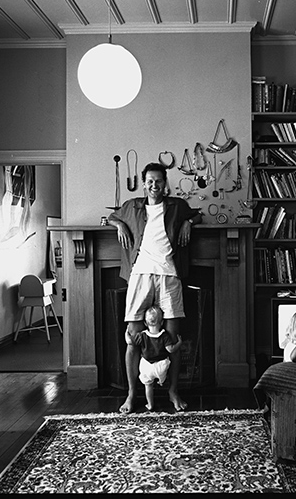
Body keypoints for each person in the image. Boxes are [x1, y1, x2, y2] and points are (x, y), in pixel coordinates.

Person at [108, 162, 202, 413]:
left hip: (169, 275)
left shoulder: (177, 206)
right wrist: (119, 225)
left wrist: (188, 223)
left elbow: (197, 213)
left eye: (158, 181)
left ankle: (172, 391)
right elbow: (111, 216)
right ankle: (131, 394)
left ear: (165, 183)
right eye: (149, 181)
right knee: (132, 338)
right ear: (144, 183)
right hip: (139, 274)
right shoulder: (132, 206)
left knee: (172, 339)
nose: (154, 185)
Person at [125, 306, 183, 411]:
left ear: (145, 324)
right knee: (174, 337)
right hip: (162, 367)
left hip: (146, 365)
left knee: (148, 385)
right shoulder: (164, 334)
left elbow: (130, 341)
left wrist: (126, 334)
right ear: (162, 323)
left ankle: (151, 404)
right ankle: (132, 394)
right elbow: (171, 349)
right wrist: (179, 343)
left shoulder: (142, 335)